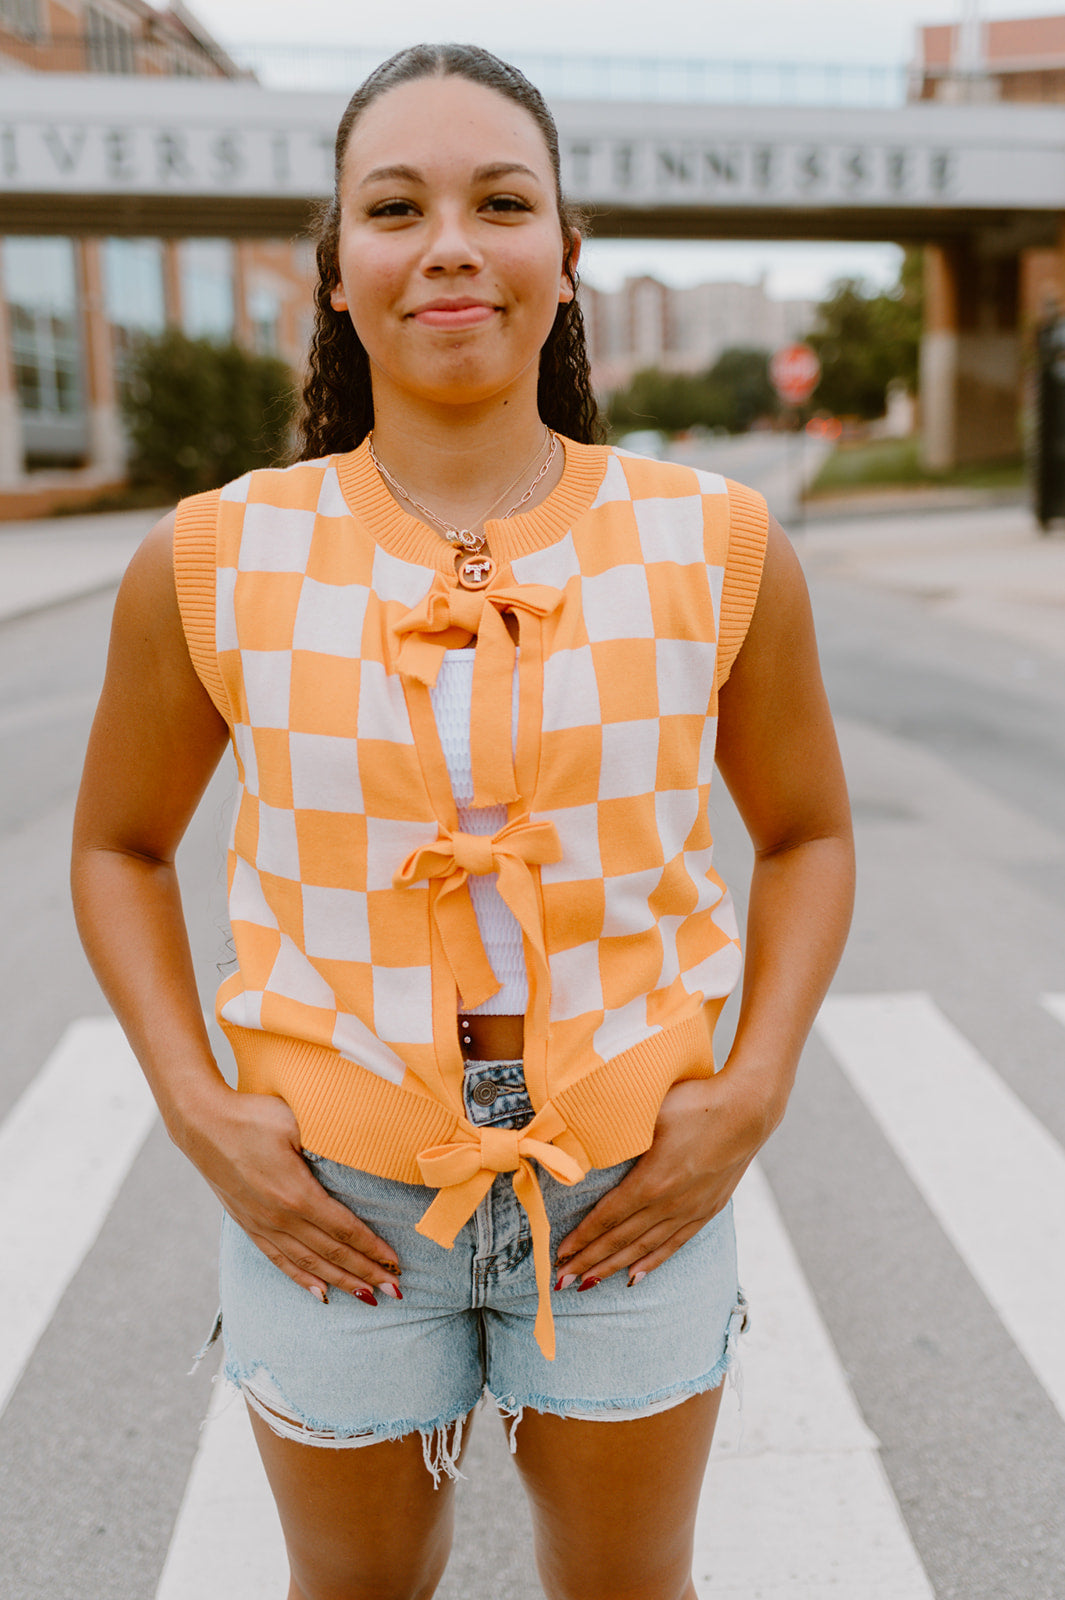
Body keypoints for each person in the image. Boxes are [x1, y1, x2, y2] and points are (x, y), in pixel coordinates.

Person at [71, 42, 855, 1600]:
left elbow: (808, 834)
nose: (450, 241)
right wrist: (195, 1105)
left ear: (563, 261)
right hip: (333, 1202)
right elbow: (119, 846)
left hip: (635, 1183)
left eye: (502, 202)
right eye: (394, 206)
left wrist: (749, 1091)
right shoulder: (215, 557)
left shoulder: (715, 545)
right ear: (337, 271)